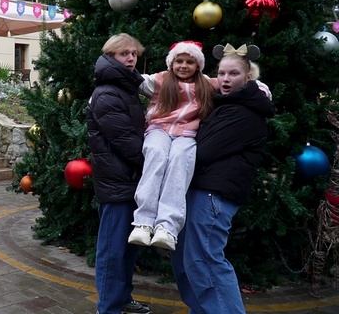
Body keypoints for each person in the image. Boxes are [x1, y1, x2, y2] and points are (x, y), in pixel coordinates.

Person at [171, 44, 275, 313]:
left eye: (234, 74)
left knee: (205, 261)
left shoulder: (244, 112)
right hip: (201, 192)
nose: (226, 80)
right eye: (222, 73)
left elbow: (202, 150)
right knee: (186, 261)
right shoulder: (225, 104)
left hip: (213, 196)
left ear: (248, 78)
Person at [128, 41, 216, 251]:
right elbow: (134, 79)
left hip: (186, 134)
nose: (183, 66)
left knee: (180, 162)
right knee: (156, 155)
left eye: (189, 62)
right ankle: (143, 222)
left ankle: (167, 227)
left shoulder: (205, 84)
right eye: (179, 61)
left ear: (198, 65)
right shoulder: (161, 79)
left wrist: (260, 87)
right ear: (171, 63)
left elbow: (233, 82)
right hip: (159, 130)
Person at [87, 33, 151, 314]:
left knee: (127, 250)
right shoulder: (107, 94)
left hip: (130, 181)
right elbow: (126, 140)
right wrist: (156, 163)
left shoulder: (125, 89)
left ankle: (122, 300)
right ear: (110, 56)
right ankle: (109, 308)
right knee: (112, 252)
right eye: (124, 53)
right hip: (117, 184)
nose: (130, 58)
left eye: (134, 54)